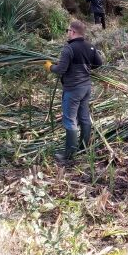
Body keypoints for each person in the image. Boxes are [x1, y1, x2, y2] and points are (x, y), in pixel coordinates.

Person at [43, 20, 104, 160]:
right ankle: (84, 147)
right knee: (84, 118)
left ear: (73, 32)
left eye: (68, 30)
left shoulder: (68, 48)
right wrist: (85, 69)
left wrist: (50, 66)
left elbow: (61, 69)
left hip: (73, 89)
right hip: (86, 87)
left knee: (70, 119)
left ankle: (69, 155)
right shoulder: (90, 47)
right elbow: (99, 63)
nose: (67, 33)